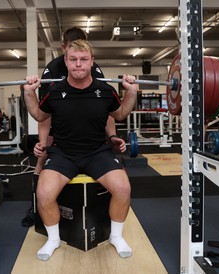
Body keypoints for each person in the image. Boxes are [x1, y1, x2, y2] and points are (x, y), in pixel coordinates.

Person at [23, 39, 138, 260]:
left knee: (123, 188)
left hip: (98, 152)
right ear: (65, 61)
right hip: (63, 153)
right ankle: (53, 239)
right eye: (73, 59)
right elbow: (39, 115)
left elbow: (120, 114)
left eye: (83, 59)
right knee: (44, 193)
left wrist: (131, 91)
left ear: (91, 62)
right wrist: (29, 92)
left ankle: (116, 236)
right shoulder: (55, 91)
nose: (78, 64)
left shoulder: (105, 90)